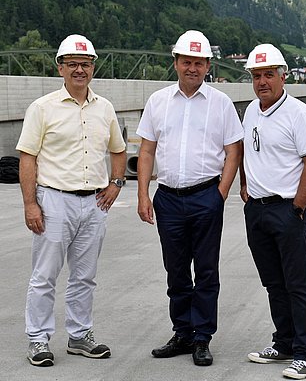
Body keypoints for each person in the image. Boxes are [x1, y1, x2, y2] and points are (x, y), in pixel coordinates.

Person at [16, 34, 127, 367]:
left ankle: (79, 336)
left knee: (84, 276)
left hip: (93, 204)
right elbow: (27, 158)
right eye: (73, 64)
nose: (80, 70)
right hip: (53, 201)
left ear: (93, 67)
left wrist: (116, 183)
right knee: (45, 275)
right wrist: (31, 204)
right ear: (60, 68)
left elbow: (118, 150)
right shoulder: (42, 108)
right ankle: (38, 339)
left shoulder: (104, 108)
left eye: (86, 64)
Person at [136, 30, 243, 366]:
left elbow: (233, 151)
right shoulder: (157, 102)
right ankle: (182, 332)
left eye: (199, 62)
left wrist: (220, 195)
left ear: (208, 65)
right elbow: (147, 150)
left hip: (205, 197)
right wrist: (143, 194)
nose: (192, 68)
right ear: (176, 63)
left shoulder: (221, 104)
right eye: (187, 62)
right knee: (176, 270)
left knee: (207, 271)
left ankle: (201, 337)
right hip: (167, 199)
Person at [240, 44, 306, 380]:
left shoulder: (299, 114)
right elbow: (246, 151)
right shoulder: (250, 112)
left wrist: (298, 209)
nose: (262, 81)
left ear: (283, 76)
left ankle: (305, 353)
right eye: (257, 75)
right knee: (274, 283)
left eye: (269, 74)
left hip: (288, 209)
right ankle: (284, 342)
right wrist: (245, 187)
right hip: (257, 211)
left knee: (297, 284)